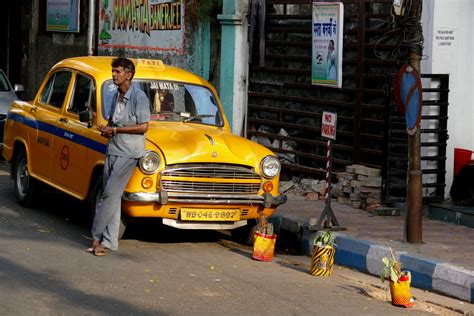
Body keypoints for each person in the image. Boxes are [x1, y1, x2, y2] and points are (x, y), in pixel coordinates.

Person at [87, 57, 150, 256]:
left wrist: (114, 130)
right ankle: (110, 241)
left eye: (118, 71)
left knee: (108, 195)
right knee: (111, 195)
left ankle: (96, 238)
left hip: (129, 153)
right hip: (113, 149)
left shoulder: (139, 97)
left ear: (128, 75)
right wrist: (107, 129)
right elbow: (115, 120)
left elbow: (143, 127)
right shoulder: (116, 95)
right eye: (113, 71)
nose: (114, 74)